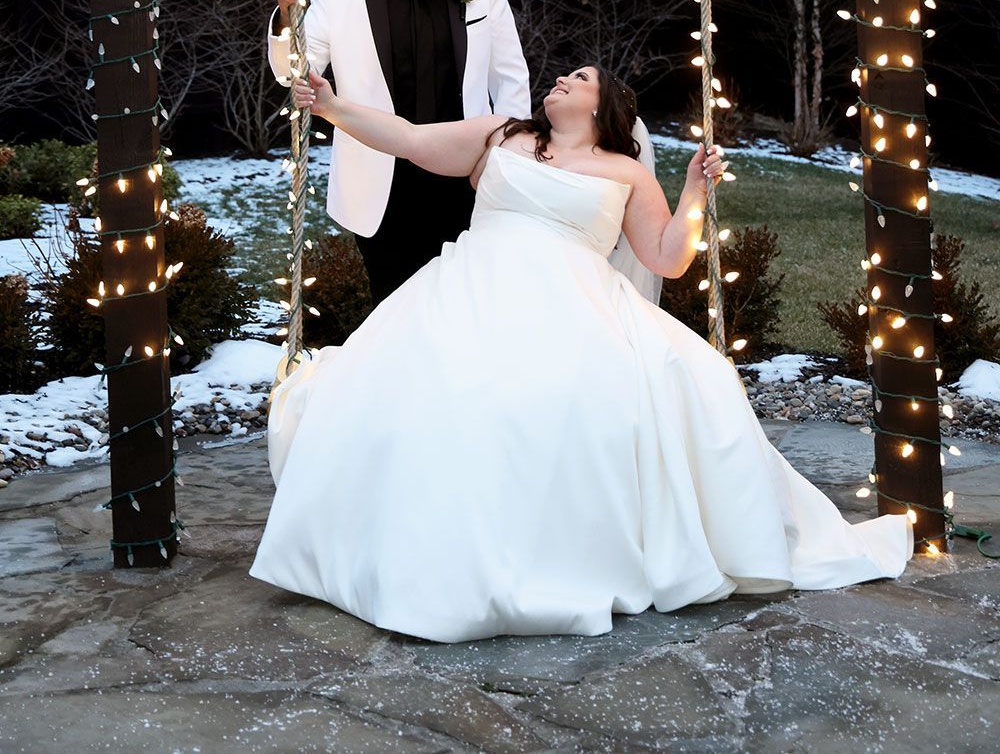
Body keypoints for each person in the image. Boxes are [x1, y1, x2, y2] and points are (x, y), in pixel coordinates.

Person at [250, 66, 912, 643]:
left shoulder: (623, 171)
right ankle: (422, 561)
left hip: (576, 303)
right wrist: (332, 107)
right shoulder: (500, 136)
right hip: (472, 288)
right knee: (443, 395)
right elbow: (412, 139)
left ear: (602, 107)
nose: (561, 79)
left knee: (634, 390)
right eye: (562, 75)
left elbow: (665, 257)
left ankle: (557, 556)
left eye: (579, 77)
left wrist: (692, 194)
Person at [267, 0, 530, 303]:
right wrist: (286, 15)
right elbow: (296, 71)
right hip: (382, 185)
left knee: (472, 307)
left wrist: (506, 158)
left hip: (468, 177)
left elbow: (511, 75)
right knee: (393, 312)